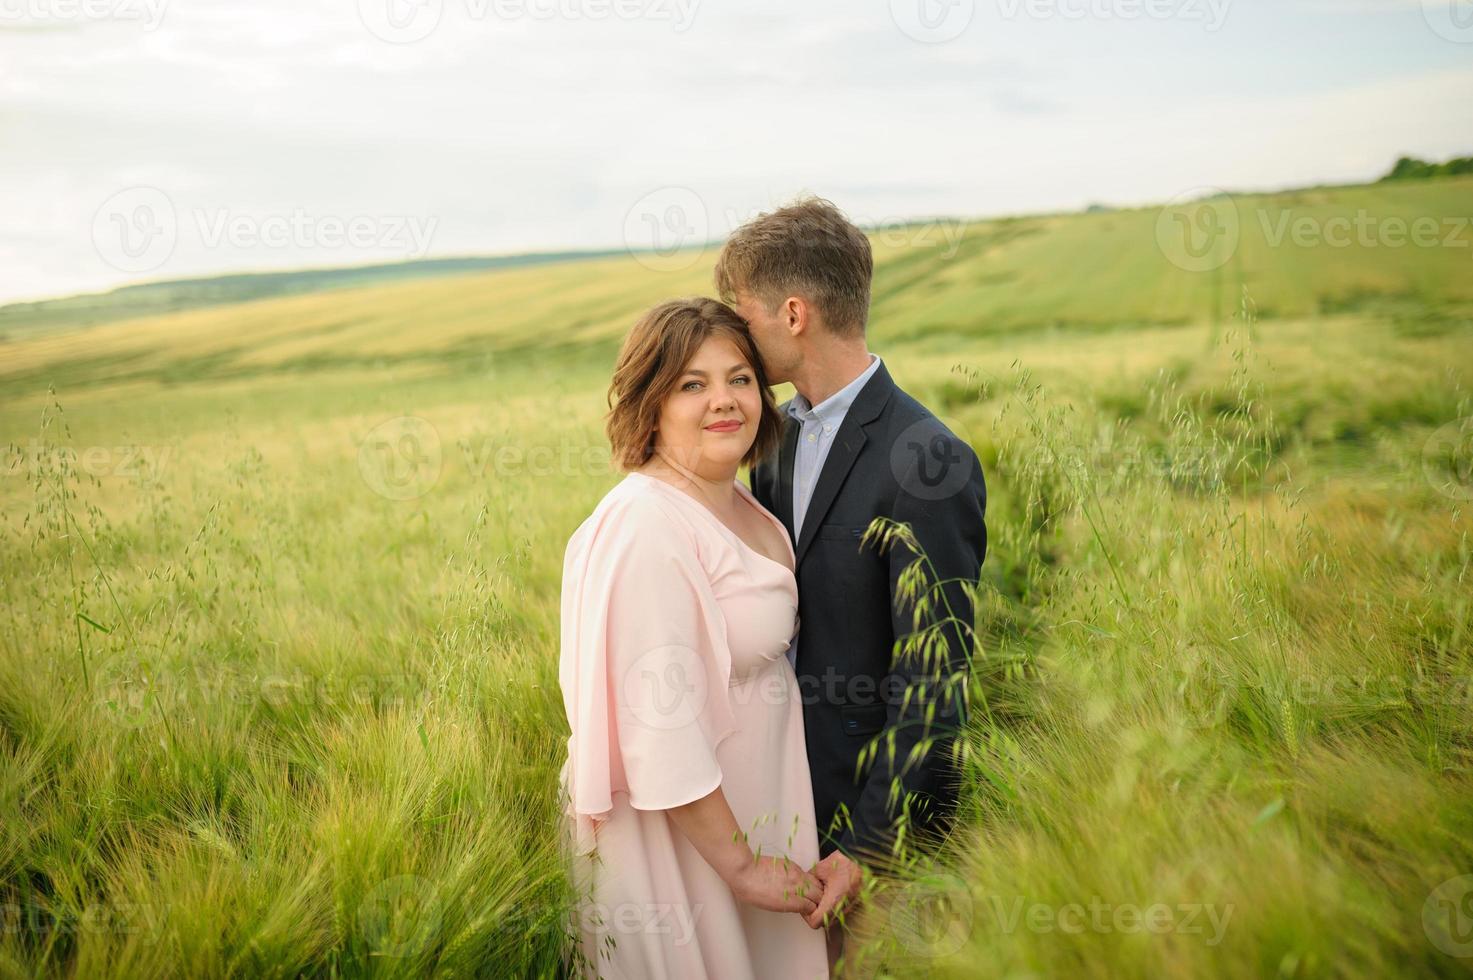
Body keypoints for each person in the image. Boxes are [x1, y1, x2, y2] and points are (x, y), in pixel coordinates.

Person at [715, 197, 989, 969]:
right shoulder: (768, 438)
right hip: (774, 808)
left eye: (744, 316)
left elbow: (934, 682)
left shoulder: (929, 460)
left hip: (869, 833)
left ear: (793, 313)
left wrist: (870, 843)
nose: (737, 336)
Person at [557, 297, 830, 979]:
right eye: (692, 384)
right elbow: (659, 724)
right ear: (650, 401)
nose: (723, 401)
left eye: (739, 379)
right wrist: (740, 868)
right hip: (685, 849)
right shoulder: (646, 524)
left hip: (756, 814)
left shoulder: (740, 498)